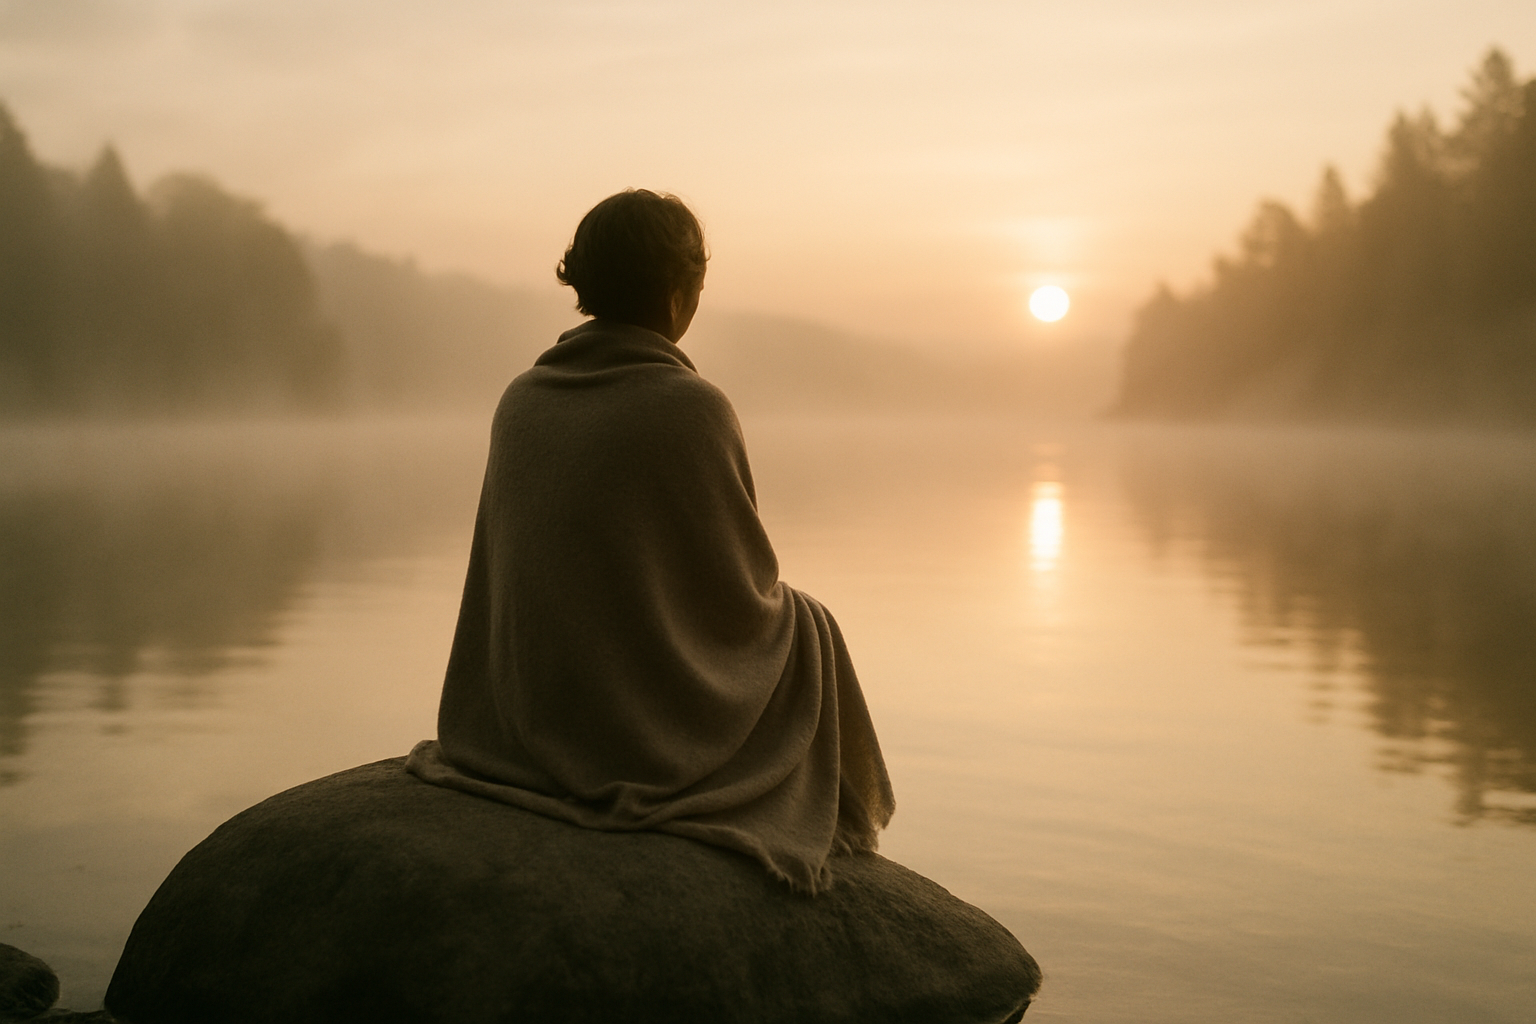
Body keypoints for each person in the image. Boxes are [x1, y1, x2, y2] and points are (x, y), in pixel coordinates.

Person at [406, 189, 893, 893]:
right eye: (696, 284)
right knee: (812, 626)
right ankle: (851, 843)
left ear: (585, 285)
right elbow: (740, 596)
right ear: (676, 294)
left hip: (523, 713)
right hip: (638, 725)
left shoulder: (520, 400)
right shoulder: (692, 408)